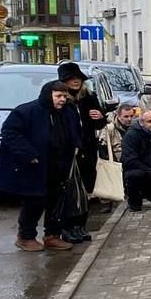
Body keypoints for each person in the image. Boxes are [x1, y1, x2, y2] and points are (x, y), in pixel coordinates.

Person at [0, 81, 81, 252]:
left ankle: (52, 235)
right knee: (34, 201)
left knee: (57, 201)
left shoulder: (67, 112)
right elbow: (10, 132)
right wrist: (29, 154)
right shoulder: (27, 111)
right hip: (36, 166)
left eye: (65, 96)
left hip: (60, 165)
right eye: (58, 96)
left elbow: (75, 131)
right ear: (48, 95)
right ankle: (25, 236)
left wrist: (76, 146)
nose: (62, 100)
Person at [59, 62, 105, 243]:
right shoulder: (60, 100)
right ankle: (68, 227)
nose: (76, 81)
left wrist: (99, 117)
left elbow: (98, 123)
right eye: (71, 78)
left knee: (86, 189)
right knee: (69, 191)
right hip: (67, 152)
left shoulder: (88, 97)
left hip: (87, 150)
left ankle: (80, 226)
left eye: (78, 78)